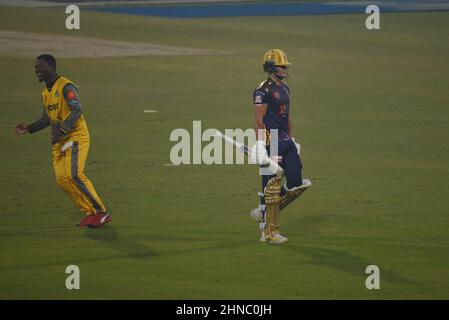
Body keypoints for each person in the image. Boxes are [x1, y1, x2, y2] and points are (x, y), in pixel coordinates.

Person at [13, 54, 111, 228]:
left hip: (75, 136)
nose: (37, 70)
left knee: (75, 175)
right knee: (62, 180)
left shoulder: (66, 86)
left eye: (41, 67)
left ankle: (102, 212)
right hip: (59, 141)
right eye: (36, 67)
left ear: (52, 67)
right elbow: (47, 118)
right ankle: (90, 212)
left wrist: (63, 129)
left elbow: (77, 110)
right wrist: (29, 128)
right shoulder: (45, 92)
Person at [250, 48, 311, 244]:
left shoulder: (285, 89)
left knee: (297, 181)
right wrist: (260, 143)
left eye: (285, 66)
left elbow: (287, 117)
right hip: (272, 140)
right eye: (281, 66)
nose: (285, 69)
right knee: (272, 185)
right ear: (271, 67)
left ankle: (264, 209)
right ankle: (269, 233)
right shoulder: (262, 91)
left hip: (284, 140)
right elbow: (259, 120)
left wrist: (292, 139)